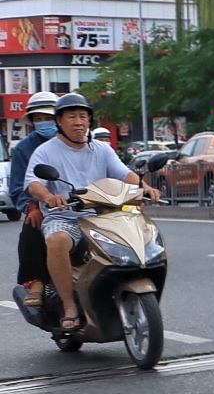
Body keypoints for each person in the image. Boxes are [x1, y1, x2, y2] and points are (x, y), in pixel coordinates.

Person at [23, 93, 160, 331]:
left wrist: (144, 187)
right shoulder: (45, 151)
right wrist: (48, 197)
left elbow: (124, 174)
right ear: (59, 121)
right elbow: (33, 182)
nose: (79, 122)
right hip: (66, 217)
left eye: (83, 116)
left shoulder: (101, 150)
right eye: (72, 116)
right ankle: (69, 306)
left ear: (90, 121)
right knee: (56, 240)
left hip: (103, 215)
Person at [8, 92, 58, 308]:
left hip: (84, 204)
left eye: (47, 117)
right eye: (38, 119)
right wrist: (31, 206)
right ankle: (36, 282)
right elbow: (19, 186)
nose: (43, 122)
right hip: (47, 207)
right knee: (32, 227)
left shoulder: (85, 142)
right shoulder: (24, 149)